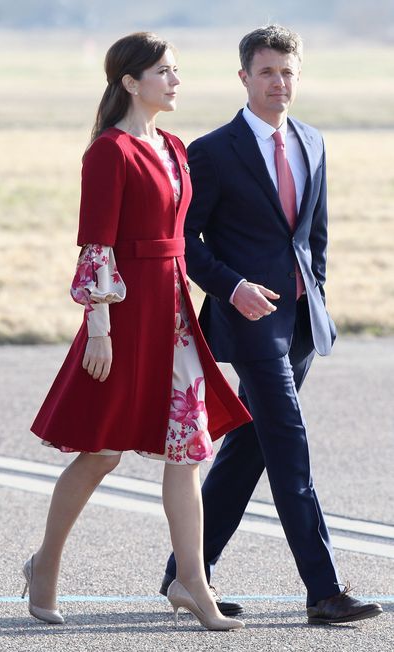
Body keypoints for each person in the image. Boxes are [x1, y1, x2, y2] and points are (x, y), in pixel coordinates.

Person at [25, 32, 251, 631]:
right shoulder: (109, 152)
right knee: (102, 451)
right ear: (130, 82)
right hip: (122, 315)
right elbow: (96, 243)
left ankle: (193, 582)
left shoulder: (175, 146)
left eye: (176, 71)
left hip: (172, 311)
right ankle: (46, 564)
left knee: (189, 448)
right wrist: (97, 325)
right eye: (164, 72)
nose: (176, 81)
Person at [160, 25, 383, 625]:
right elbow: (185, 240)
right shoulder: (211, 150)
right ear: (244, 78)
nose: (278, 83)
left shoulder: (313, 141)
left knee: (250, 449)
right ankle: (324, 592)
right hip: (249, 322)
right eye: (266, 73)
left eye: (287, 72)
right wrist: (231, 287)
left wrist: (318, 300)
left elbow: (315, 237)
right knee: (289, 446)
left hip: (301, 324)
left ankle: (184, 576)